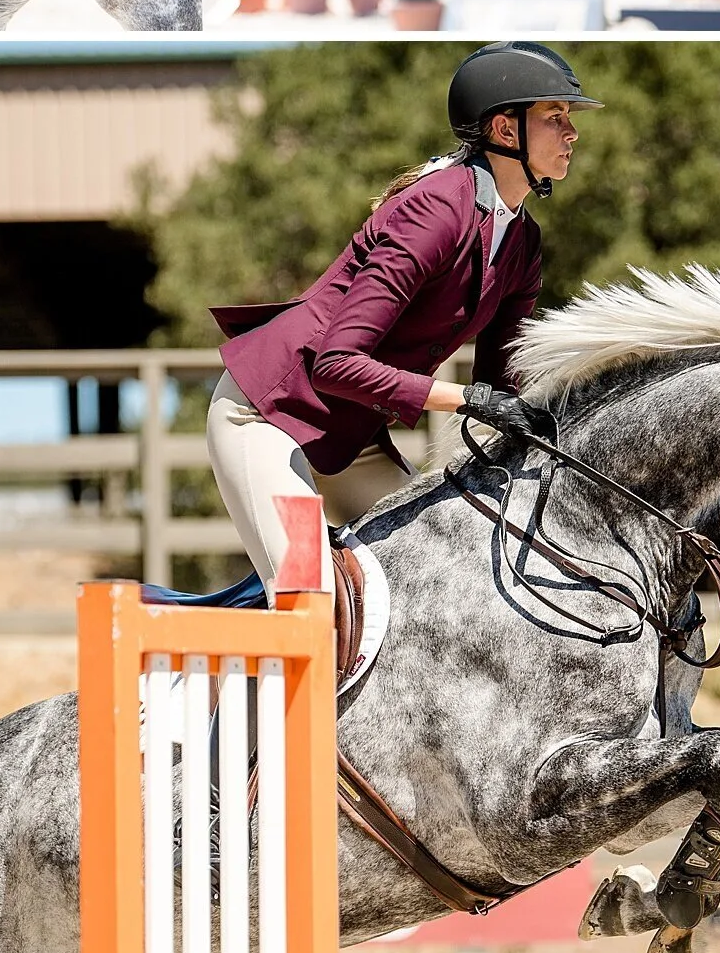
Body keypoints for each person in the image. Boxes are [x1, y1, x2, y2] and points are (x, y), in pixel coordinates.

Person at [205, 42, 598, 598]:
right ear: (506, 131)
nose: (571, 132)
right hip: (268, 417)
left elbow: (503, 384)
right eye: (554, 116)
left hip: (347, 440)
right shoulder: (437, 209)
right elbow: (335, 364)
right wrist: (465, 400)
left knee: (439, 574)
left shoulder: (523, 241)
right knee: (309, 590)